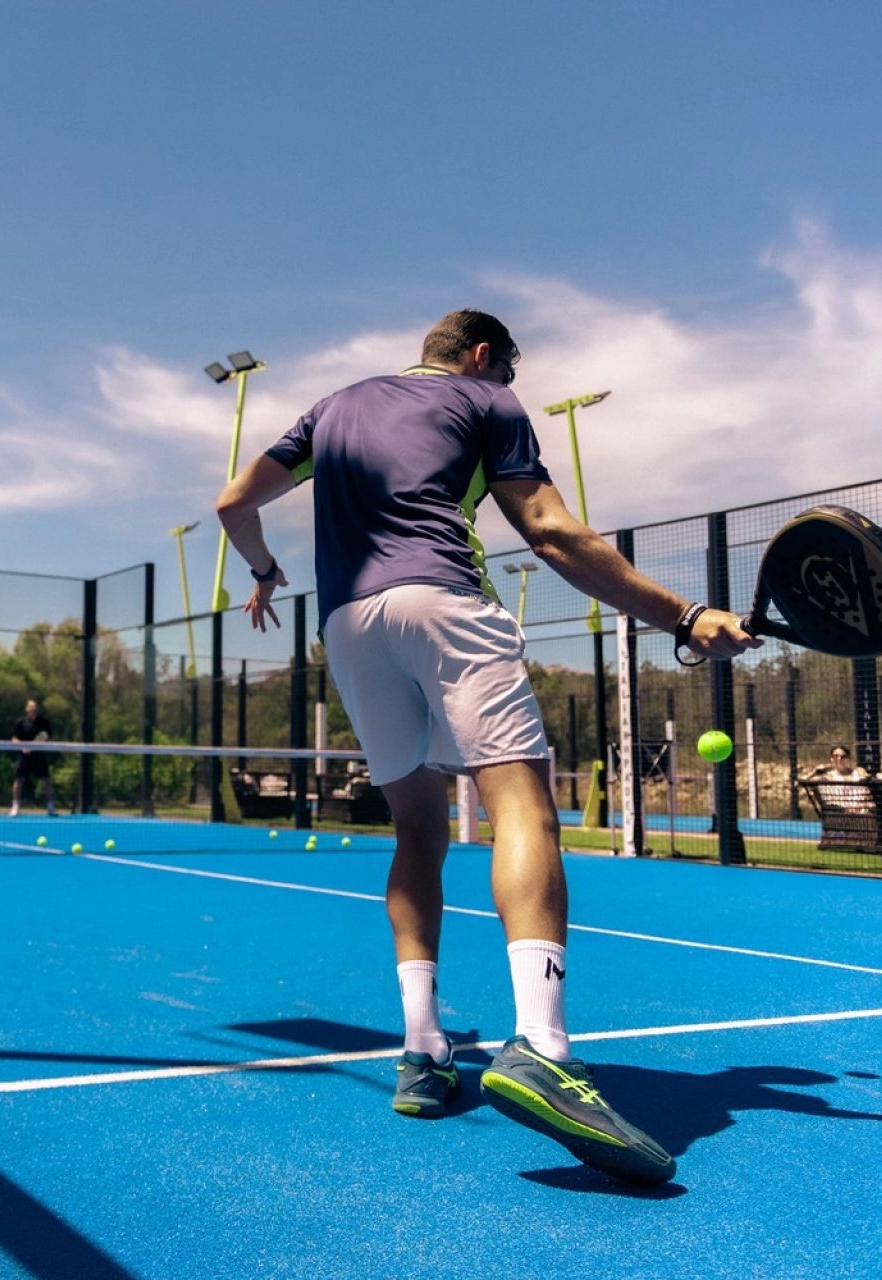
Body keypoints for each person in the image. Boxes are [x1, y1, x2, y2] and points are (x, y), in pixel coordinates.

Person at [214, 308, 759, 1185]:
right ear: (479, 355)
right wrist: (685, 614)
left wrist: (266, 572)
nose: (508, 383)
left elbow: (233, 502)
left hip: (347, 624)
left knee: (418, 832)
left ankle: (424, 1051)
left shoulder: (332, 407)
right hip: (443, 603)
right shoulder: (486, 402)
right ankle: (543, 1046)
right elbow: (549, 531)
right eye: (506, 367)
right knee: (522, 813)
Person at [8, 698, 57, 817]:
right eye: (31, 709)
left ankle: (50, 806)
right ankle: (15, 806)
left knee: (46, 781)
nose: (33, 711)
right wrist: (22, 747)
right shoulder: (20, 722)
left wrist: (36, 745)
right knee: (18, 781)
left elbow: (46, 736)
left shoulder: (43, 722)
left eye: (35, 709)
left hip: (39, 756)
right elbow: (14, 738)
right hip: (24, 757)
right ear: (26, 709)